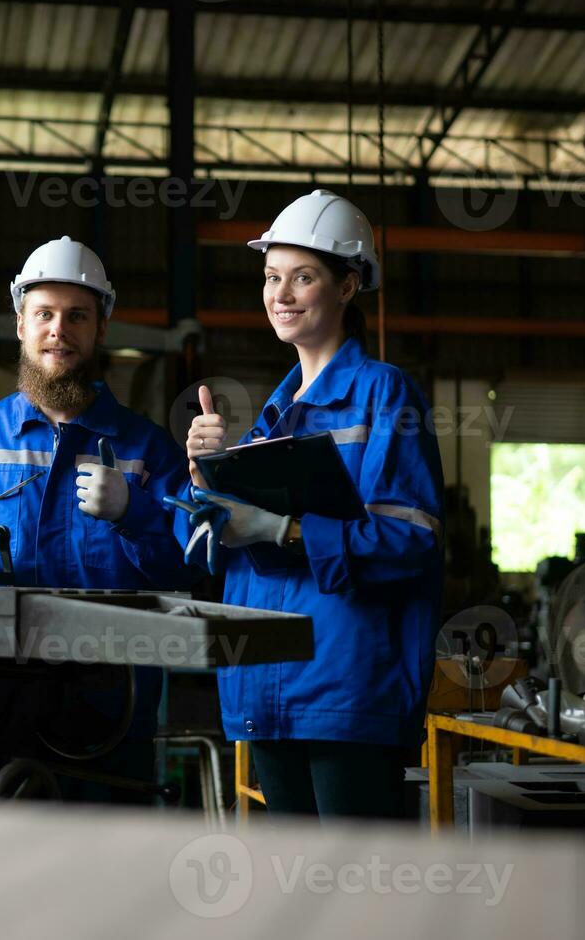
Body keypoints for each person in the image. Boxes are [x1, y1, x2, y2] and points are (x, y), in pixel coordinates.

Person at [175, 190, 444, 820]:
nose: (281, 294)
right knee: (296, 894)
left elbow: (411, 542)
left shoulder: (383, 394)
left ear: (348, 285)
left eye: (303, 277)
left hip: (347, 688)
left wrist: (282, 528)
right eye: (272, 277)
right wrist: (202, 482)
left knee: (353, 899)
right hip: (266, 688)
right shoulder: (269, 424)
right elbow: (219, 552)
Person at [0, 236, 190, 591]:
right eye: (44, 314)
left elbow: (183, 572)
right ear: (21, 326)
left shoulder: (148, 448)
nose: (59, 330)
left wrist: (131, 513)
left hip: (108, 643)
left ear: (100, 330)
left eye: (77, 316)